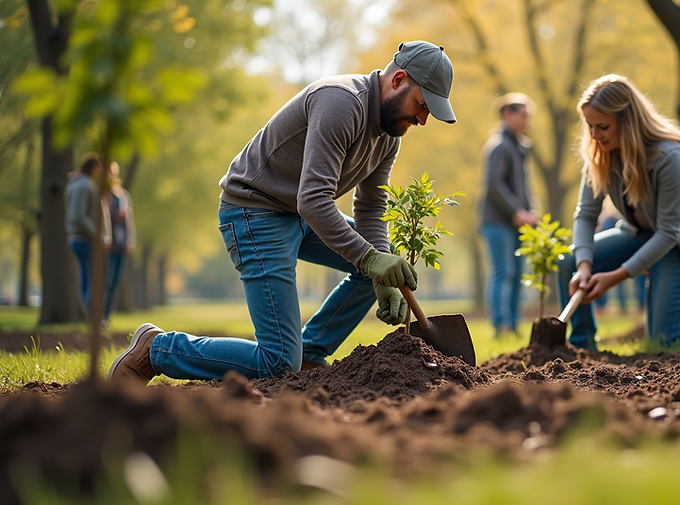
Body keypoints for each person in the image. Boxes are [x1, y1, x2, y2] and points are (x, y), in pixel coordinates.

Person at [108, 41, 458, 385]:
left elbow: (370, 207)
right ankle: (157, 349)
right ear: (398, 80)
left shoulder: (389, 136)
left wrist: (380, 271)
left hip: (298, 213)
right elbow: (314, 199)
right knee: (276, 363)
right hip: (254, 210)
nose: (423, 120)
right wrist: (370, 259)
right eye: (423, 105)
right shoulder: (340, 102)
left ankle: (307, 354)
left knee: (377, 265)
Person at [557, 74, 680, 350]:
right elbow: (586, 215)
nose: (595, 136)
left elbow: (669, 232)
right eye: (590, 126)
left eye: (603, 127)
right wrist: (585, 267)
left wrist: (615, 277)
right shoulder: (599, 154)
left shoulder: (669, 156)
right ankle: (583, 347)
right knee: (568, 261)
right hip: (638, 235)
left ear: (627, 121)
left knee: (662, 343)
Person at [479, 92, 540, 337]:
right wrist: (517, 211)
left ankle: (513, 324)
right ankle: (500, 325)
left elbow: (523, 186)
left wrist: (531, 210)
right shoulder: (499, 146)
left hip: (517, 222)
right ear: (508, 114)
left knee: (516, 274)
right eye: (523, 115)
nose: (527, 121)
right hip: (497, 221)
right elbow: (494, 185)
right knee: (502, 272)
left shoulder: (519, 146)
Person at [64, 152, 110, 317]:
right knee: (94, 281)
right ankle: (94, 318)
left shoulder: (74, 184)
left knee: (87, 280)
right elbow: (79, 216)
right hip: (86, 239)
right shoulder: (84, 185)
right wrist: (99, 236)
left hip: (78, 238)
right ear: (93, 168)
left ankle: (89, 316)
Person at [103, 162, 136, 326]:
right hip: (108, 245)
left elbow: (129, 221)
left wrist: (130, 241)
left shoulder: (122, 194)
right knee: (105, 282)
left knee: (114, 283)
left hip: (122, 245)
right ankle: (98, 316)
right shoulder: (103, 194)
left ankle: (106, 317)